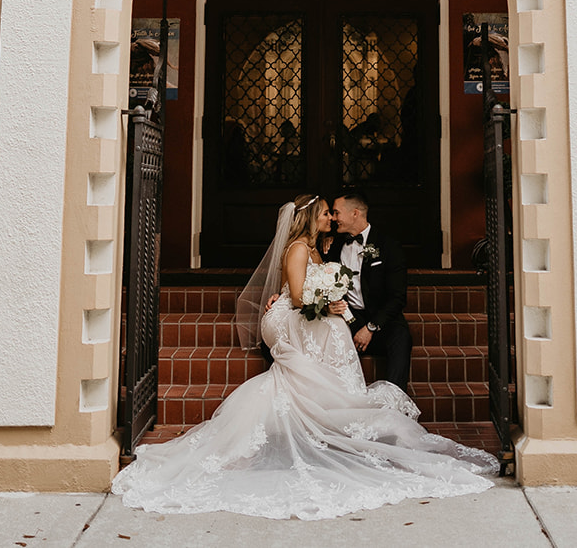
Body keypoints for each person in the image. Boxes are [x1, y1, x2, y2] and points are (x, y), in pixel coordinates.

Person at [111, 193, 496, 520]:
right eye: (327, 211)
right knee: (332, 329)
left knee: (347, 331)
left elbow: (322, 285)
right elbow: (297, 297)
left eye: (335, 212)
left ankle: (343, 409)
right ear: (314, 216)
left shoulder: (323, 247)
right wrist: (322, 304)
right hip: (291, 315)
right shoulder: (299, 247)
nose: (332, 216)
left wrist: (324, 302)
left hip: (324, 310)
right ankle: (338, 408)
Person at [324, 191, 412, 392]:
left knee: (401, 337)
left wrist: (371, 327)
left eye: (336, 213)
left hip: (381, 319)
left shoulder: (388, 246)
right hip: (347, 318)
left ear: (355, 213)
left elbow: (397, 297)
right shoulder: (333, 244)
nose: (333, 218)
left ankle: (394, 401)